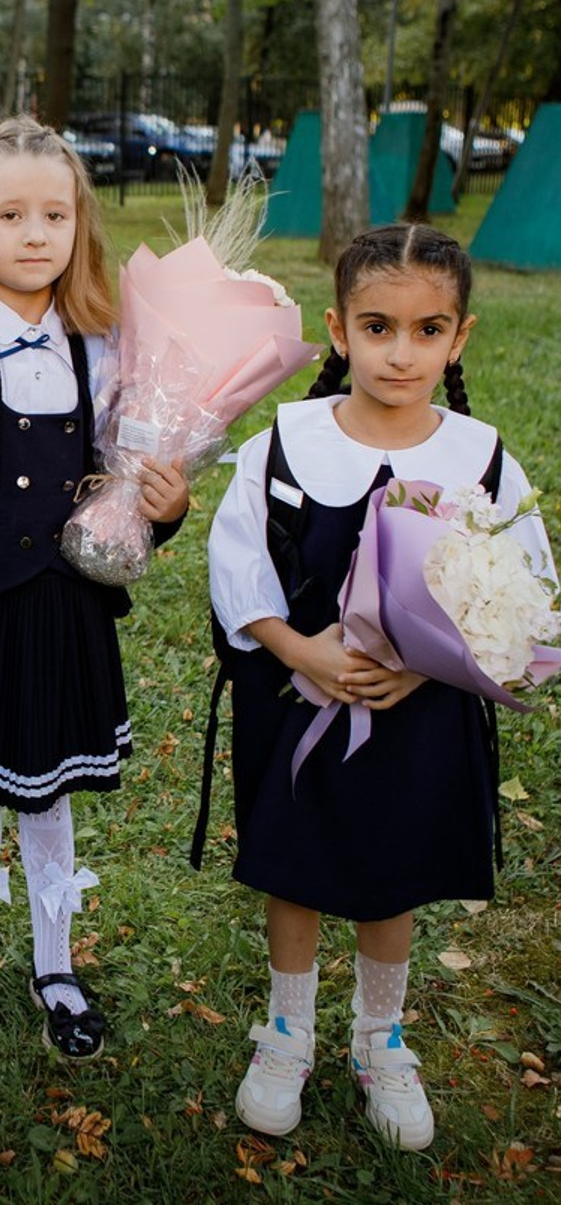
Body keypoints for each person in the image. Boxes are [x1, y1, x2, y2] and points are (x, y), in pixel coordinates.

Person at [208, 224, 556, 1150]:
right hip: (297, 705)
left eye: (428, 330)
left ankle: (381, 1036)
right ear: (337, 328)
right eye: (377, 327)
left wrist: (430, 658)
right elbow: (236, 569)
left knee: (390, 865)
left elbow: (522, 596)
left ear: (460, 336)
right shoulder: (281, 448)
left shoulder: (484, 462)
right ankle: (287, 1032)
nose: (402, 354)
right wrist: (300, 650)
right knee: (297, 858)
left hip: (419, 715)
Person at [0, 115, 189, 1061]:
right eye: (10, 213)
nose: (33, 233)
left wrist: (165, 505)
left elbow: (118, 492)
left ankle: (55, 961)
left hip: (62, 610)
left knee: (47, 793)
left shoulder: (103, 345)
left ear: (78, 225)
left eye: (54, 214)